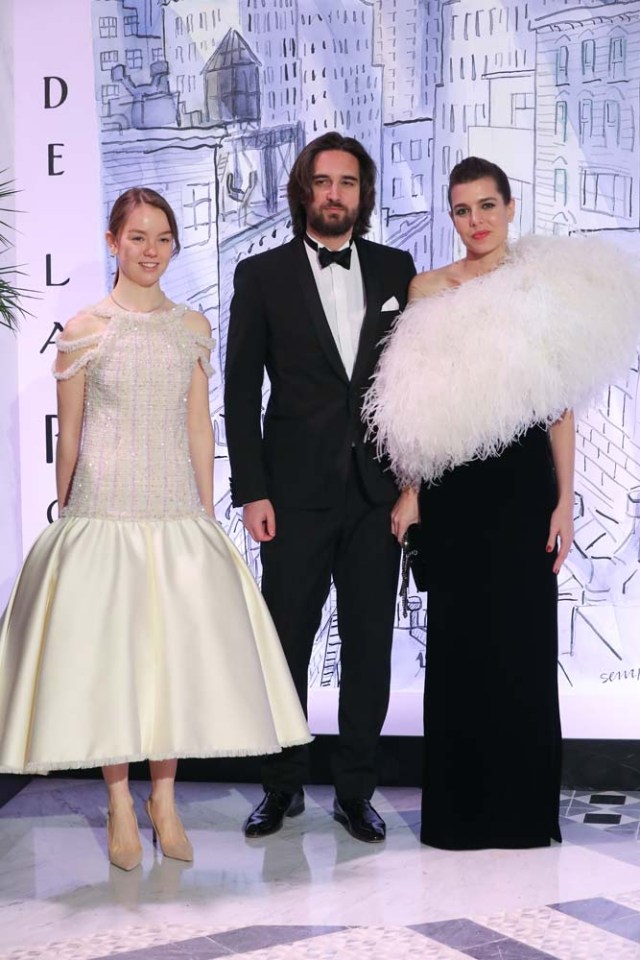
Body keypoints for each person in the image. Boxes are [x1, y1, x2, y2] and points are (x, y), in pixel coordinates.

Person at [0, 187, 311, 870]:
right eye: (137, 237)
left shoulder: (192, 326)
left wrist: (202, 509)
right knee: (112, 660)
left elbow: (201, 423)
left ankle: (162, 802)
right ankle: (118, 803)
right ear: (113, 241)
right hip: (104, 508)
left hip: (174, 507)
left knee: (168, 659)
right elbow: (71, 431)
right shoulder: (85, 328)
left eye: (162, 238)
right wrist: (68, 512)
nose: (151, 250)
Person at [365, 156, 640, 849]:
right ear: (451, 216)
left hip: (522, 488)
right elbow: (413, 408)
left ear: (511, 207)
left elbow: (560, 408)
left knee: (521, 646)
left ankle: (521, 815)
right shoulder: (427, 289)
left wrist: (564, 502)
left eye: (487, 206)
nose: (476, 222)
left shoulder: (537, 285)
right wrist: (412, 494)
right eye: (462, 210)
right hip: (454, 490)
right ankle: (457, 817)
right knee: (457, 649)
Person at [224, 132, 416, 843]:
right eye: (323, 181)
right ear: (303, 189)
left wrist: (411, 486)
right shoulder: (261, 274)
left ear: (363, 195)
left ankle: (355, 791)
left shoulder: (399, 267)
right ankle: (281, 787)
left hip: (376, 495)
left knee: (370, 647)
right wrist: (252, 490)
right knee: (285, 648)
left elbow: (413, 385)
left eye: (349, 183)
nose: (336, 194)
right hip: (292, 496)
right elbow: (240, 391)